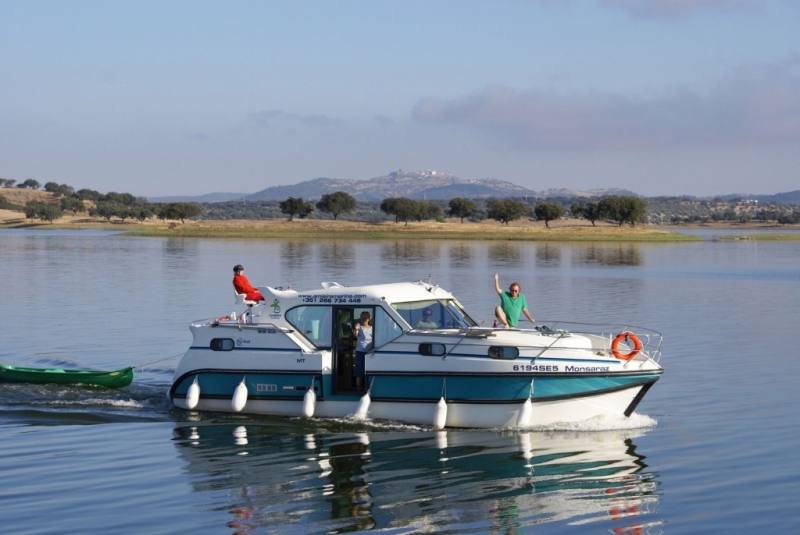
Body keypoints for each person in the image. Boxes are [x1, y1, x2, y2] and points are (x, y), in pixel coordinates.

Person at [353, 311, 373, 390]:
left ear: (368, 318)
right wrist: (356, 329)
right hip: (360, 351)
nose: (363, 319)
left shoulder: (372, 328)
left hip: (370, 352)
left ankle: (368, 388)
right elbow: (355, 335)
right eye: (362, 317)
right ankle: (358, 389)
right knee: (359, 370)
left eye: (365, 317)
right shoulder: (360, 328)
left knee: (369, 370)